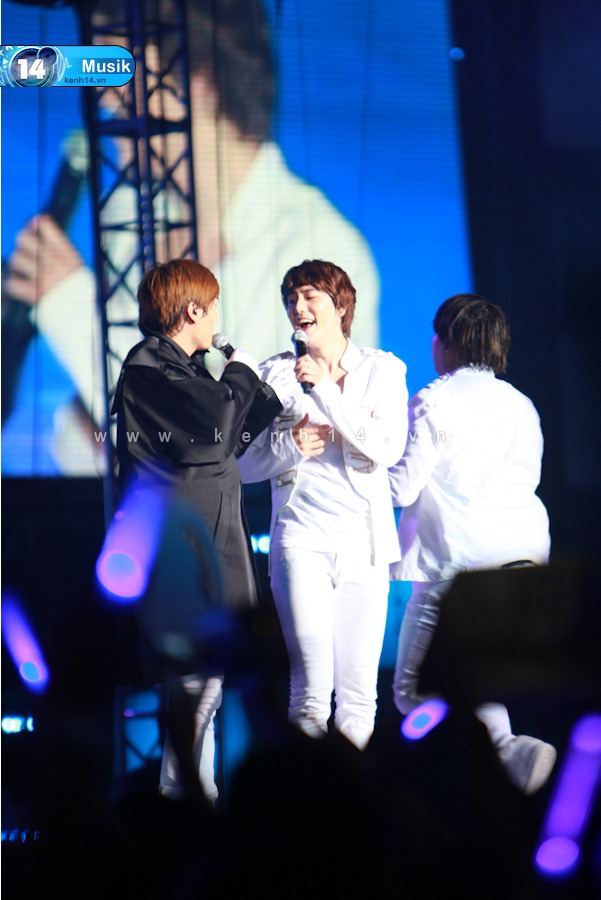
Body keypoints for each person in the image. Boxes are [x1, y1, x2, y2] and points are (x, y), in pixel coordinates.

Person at [2, 0, 380, 475]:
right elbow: (101, 439)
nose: (107, 106)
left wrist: (67, 304)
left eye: (120, 79)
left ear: (198, 79)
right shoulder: (129, 212)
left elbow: (225, 437)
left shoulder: (322, 247)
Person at [111, 257, 282, 803]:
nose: (216, 322)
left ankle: (191, 805)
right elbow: (212, 431)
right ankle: (181, 810)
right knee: (193, 691)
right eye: (212, 310)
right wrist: (241, 373)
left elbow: (230, 436)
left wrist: (263, 392)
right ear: (192, 311)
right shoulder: (148, 366)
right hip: (183, 549)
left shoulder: (183, 372)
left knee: (206, 691)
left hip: (212, 538)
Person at [389, 293, 557, 795]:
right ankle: (499, 763)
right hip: (523, 565)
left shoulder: (436, 398)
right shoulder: (522, 405)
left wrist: (350, 467)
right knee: (481, 684)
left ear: (448, 342)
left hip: (457, 566)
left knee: (411, 691)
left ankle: (500, 753)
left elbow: (402, 487)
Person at [237, 259, 408, 750]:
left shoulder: (382, 370)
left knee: (358, 698)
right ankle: (306, 796)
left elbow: (387, 448)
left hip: (364, 547)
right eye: (291, 298)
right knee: (309, 692)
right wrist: (289, 445)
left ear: (341, 306)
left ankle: (353, 796)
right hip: (300, 541)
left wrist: (326, 392)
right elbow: (241, 465)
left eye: (310, 296)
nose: (298, 307)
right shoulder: (274, 374)